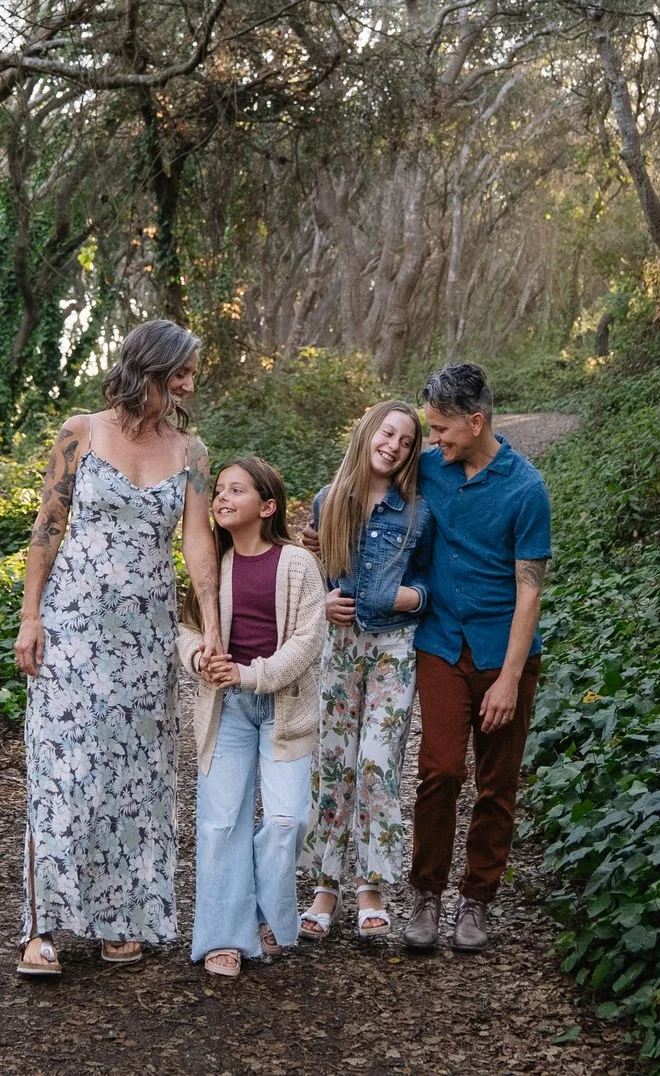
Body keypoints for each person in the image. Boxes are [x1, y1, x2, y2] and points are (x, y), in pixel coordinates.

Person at [14, 320, 221, 977]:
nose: (189, 384)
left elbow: (197, 545)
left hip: (144, 638)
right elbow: (48, 524)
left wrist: (210, 622)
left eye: (189, 373)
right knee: (61, 770)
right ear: (148, 369)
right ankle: (41, 927)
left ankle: (121, 916)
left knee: (132, 777)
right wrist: (29, 616)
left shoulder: (191, 453)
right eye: (179, 372)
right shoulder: (80, 431)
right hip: (72, 624)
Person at [402, 361, 550, 954]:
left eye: (441, 430)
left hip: (503, 652)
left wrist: (510, 679)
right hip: (440, 641)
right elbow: (367, 497)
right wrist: (320, 535)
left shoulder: (525, 489)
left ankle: (478, 900)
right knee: (439, 770)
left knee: (497, 782)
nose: (433, 440)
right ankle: (427, 894)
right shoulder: (429, 471)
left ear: (476, 421)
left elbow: (530, 588)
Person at [174, 457, 325, 978]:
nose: (221, 497)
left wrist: (249, 674)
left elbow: (308, 641)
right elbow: (188, 629)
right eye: (218, 490)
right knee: (221, 822)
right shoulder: (210, 562)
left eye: (235, 490)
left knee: (287, 820)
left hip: (284, 708)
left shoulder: (297, 565)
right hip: (226, 711)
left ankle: (266, 914)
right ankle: (224, 934)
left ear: (267, 506)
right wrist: (200, 659)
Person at [299, 400, 428, 941]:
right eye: (388, 433)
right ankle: (325, 887)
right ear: (368, 431)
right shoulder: (329, 501)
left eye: (406, 441)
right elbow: (312, 573)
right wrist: (324, 600)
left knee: (376, 762)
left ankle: (370, 889)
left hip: (393, 647)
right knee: (335, 763)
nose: (394, 445)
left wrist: (411, 597)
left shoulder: (418, 511)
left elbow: (431, 581)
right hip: (341, 644)